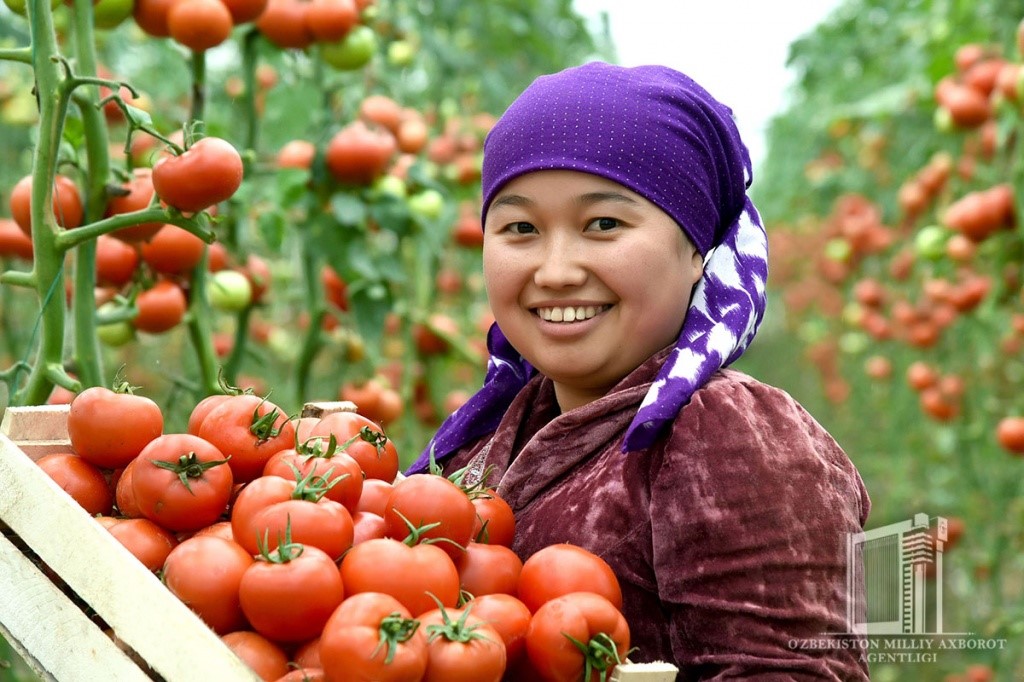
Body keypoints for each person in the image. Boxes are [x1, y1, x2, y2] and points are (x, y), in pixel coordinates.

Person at [406, 61, 871, 681]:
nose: (556, 270)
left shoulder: (730, 436)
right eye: (520, 228)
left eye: (604, 224)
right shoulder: (480, 442)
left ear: (697, 251)